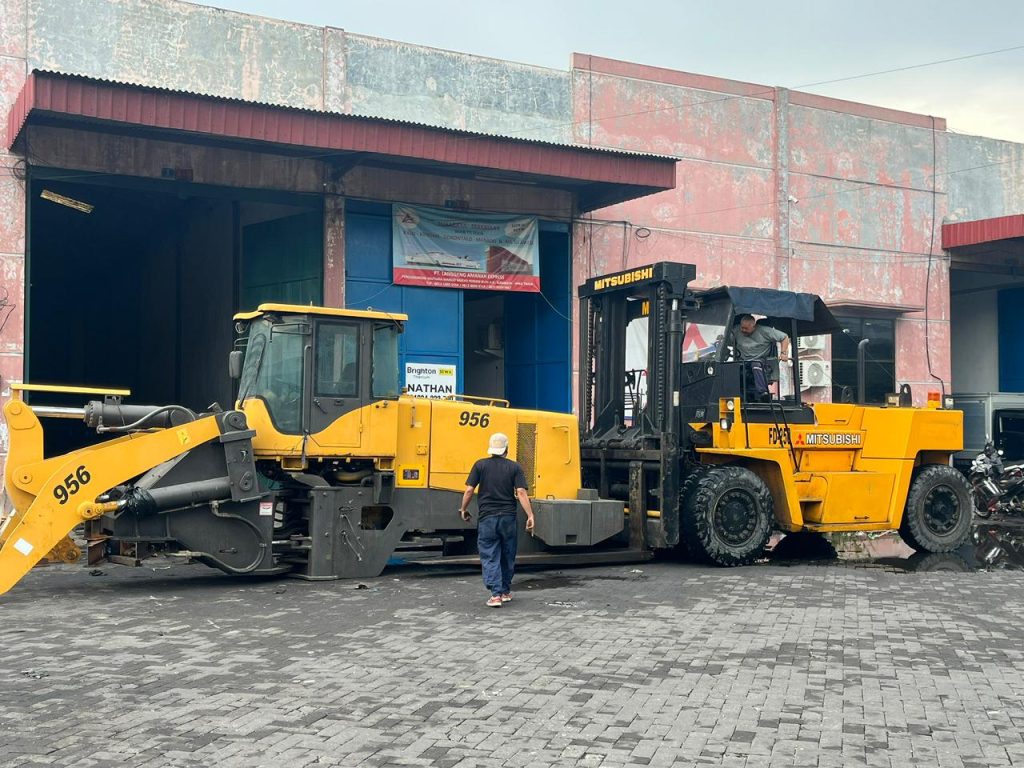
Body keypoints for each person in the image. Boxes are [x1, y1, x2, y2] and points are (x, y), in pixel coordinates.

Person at [459, 432, 535, 608]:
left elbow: (469, 490)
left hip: (487, 518)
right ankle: (505, 591)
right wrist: (530, 515)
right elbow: (522, 492)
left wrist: (463, 509)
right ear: (506, 449)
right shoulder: (514, 467)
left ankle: (495, 595)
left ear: (491, 449)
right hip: (508, 518)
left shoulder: (480, 465)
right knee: (508, 553)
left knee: (490, 553)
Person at [735, 313, 790, 382]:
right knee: (730, 367)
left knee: (756, 365)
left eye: (746, 328)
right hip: (742, 361)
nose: (743, 330)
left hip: (760, 360)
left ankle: (762, 391)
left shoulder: (765, 331)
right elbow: (724, 338)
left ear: (754, 326)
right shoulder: (736, 330)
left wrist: (783, 353)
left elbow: (784, 337)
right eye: (742, 327)